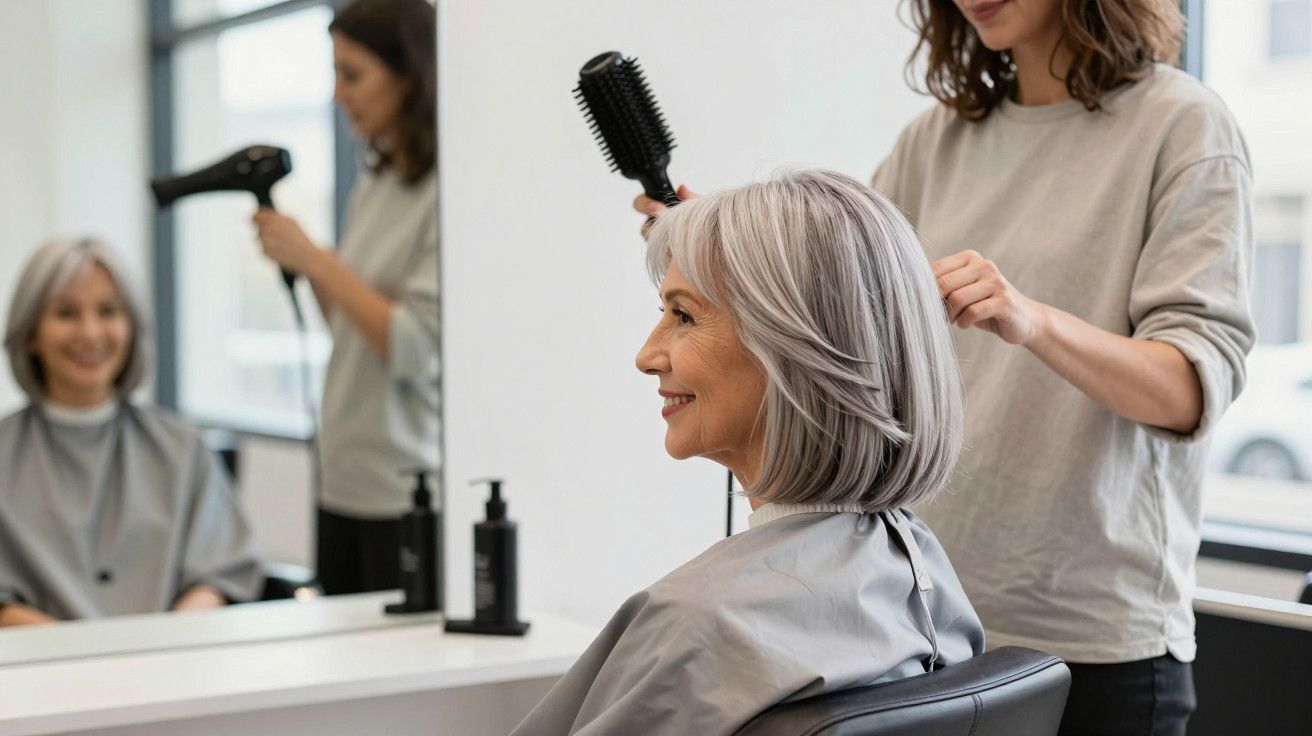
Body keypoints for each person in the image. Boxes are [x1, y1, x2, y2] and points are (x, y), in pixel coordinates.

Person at [514, 170, 985, 735]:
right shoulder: (917, 570)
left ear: (789, 349)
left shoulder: (700, 626)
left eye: (683, 315)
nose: (646, 355)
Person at [252, 0, 438, 595]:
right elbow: (351, 329)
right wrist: (307, 267)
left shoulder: (444, 194)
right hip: (341, 477)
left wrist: (318, 261)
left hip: (402, 490)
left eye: (352, 74)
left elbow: (412, 348)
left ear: (408, 76)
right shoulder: (377, 181)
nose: (338, 95)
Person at [0, 238, 262, 627]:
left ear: (132, 327)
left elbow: (220, 573)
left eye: (108, 311)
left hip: (168, 668)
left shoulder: (182, 447)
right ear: (31, 334)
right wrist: (84, 659)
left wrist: (162, 646)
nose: (90, 333)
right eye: (66, 313)